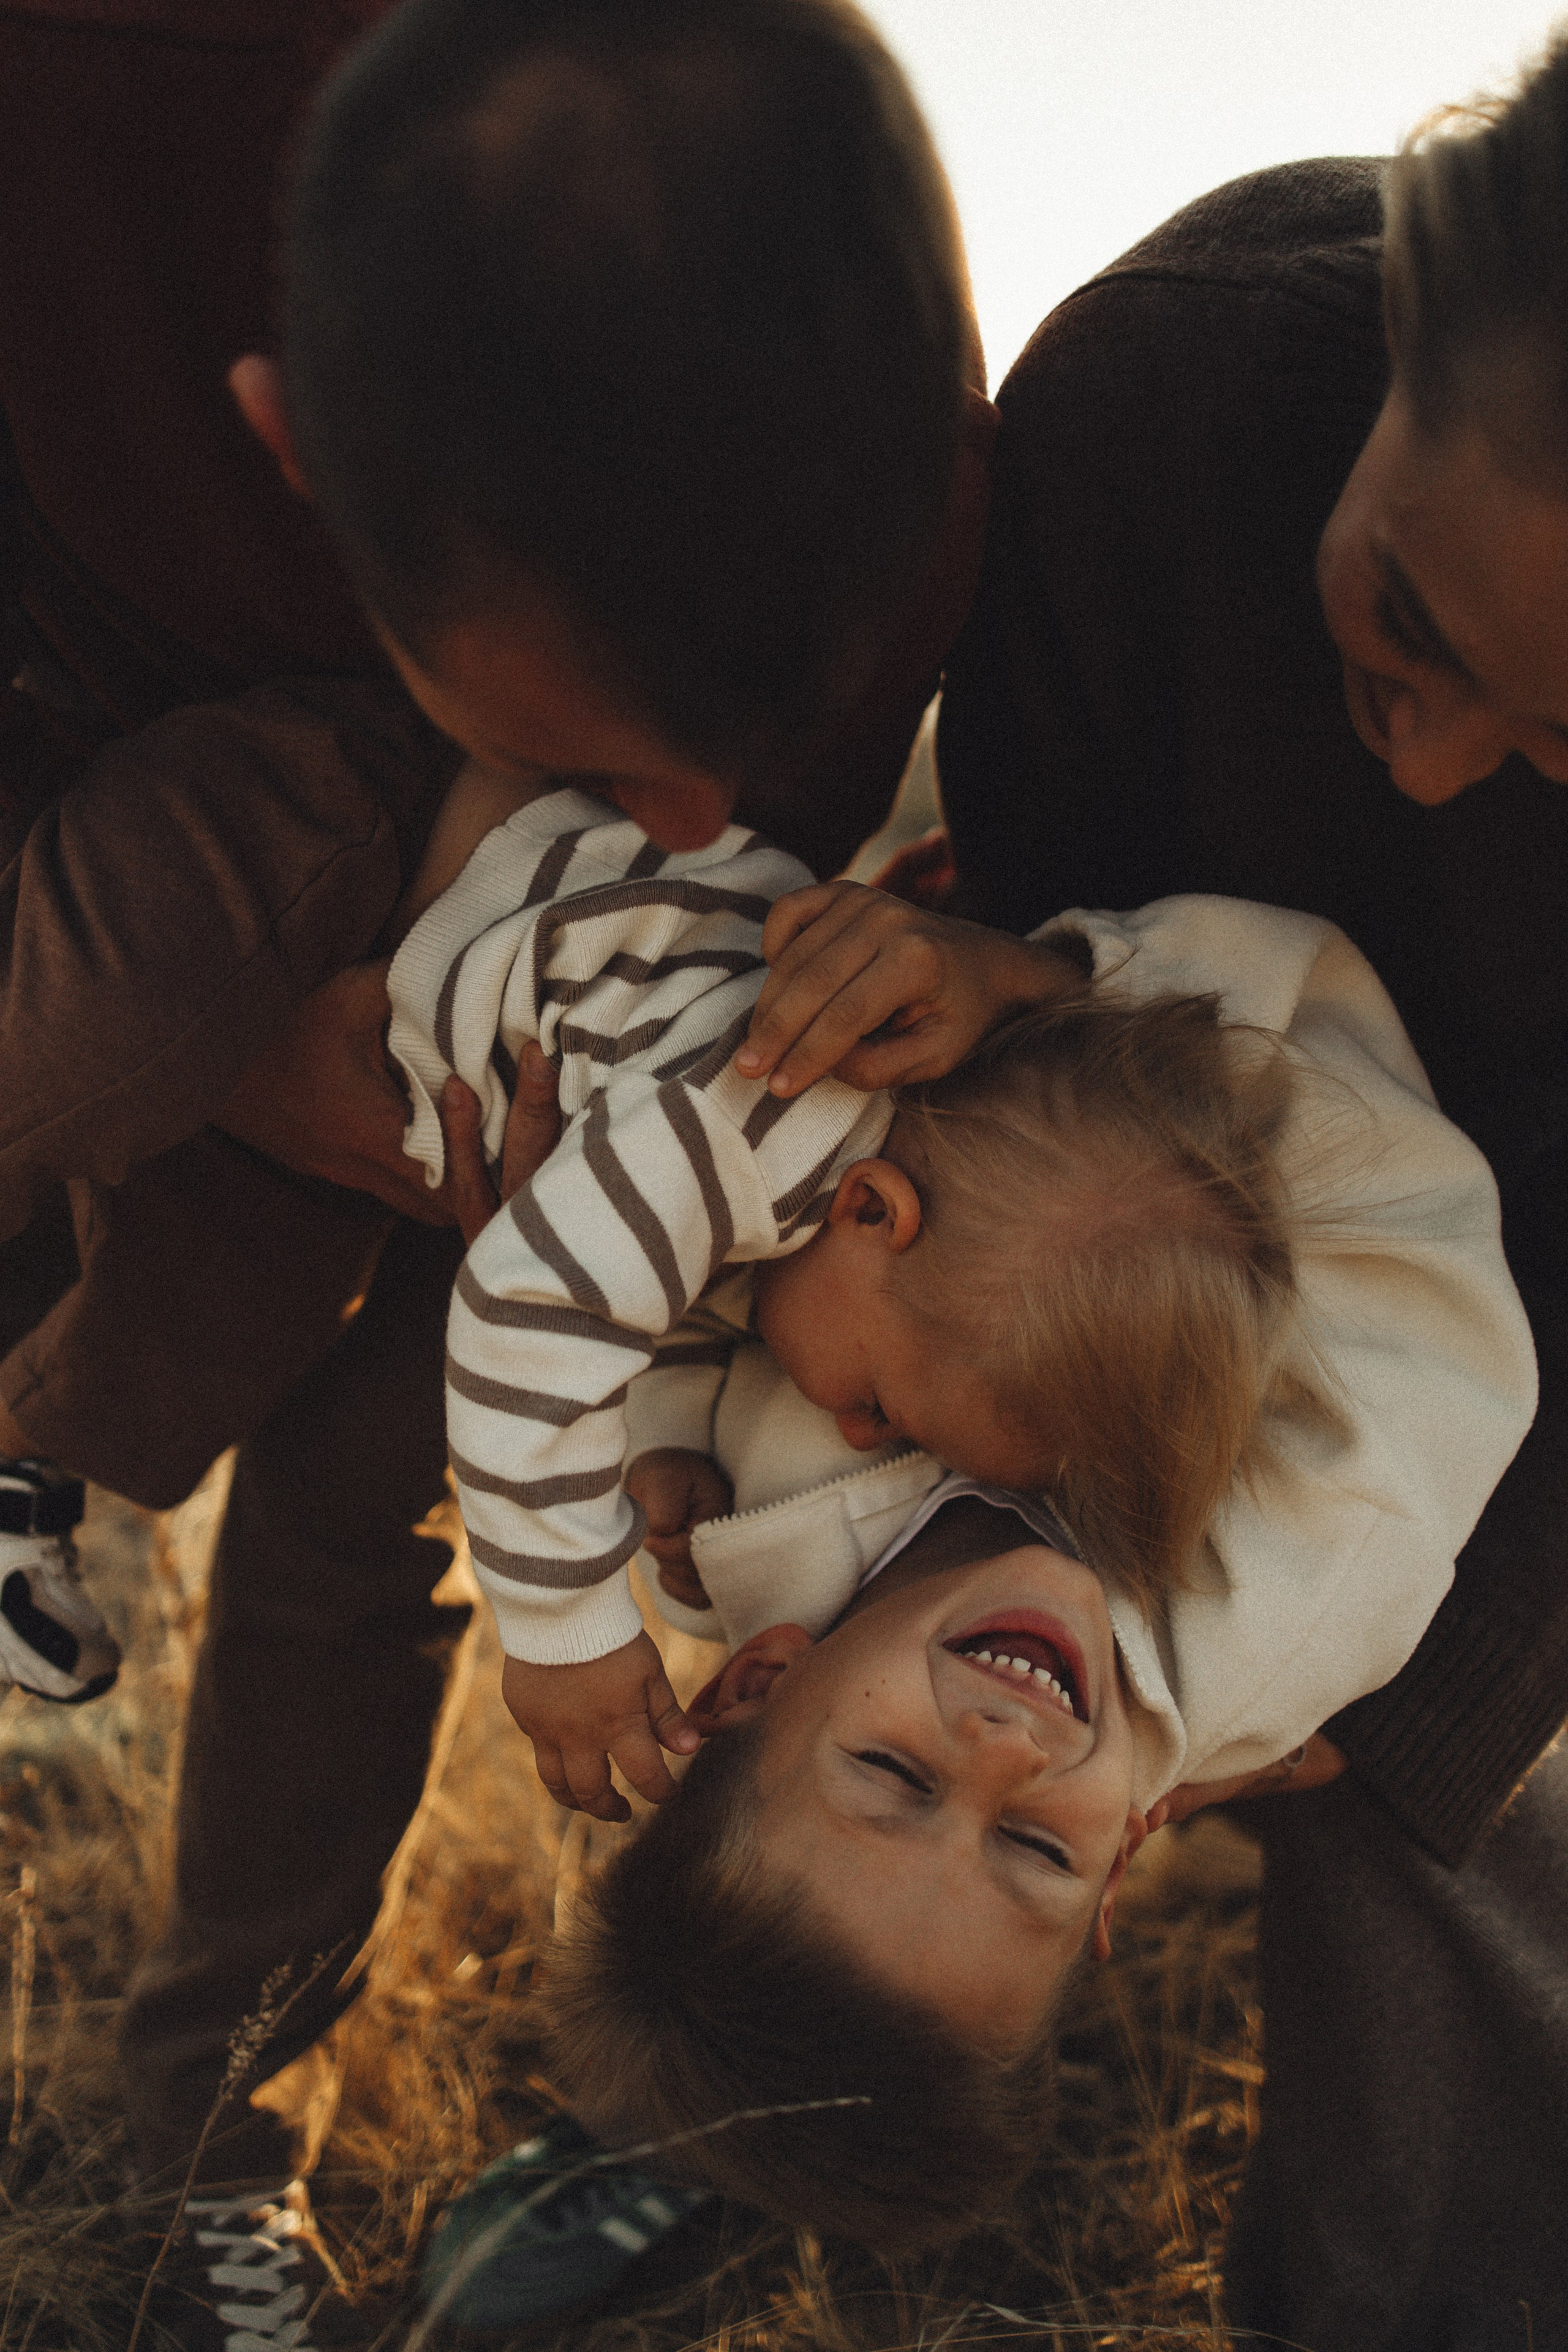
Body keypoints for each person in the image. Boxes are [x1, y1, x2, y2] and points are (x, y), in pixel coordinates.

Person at [0, 0, 990, 2292]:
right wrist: (242, 1050)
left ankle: (200, 2148)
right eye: (594, 740)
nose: (679, 814)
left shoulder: (860, 374)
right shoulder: (69, 139)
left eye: (723, 741)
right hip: (112, 837)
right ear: (291, 460)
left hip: (545, 1050)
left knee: (382, 1494)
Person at [416, 883, 1534, 2310]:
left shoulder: (728, 1528)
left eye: (890, 1772)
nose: (999, 1754)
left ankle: (693, 2139)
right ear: (1124, 1859)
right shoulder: (1316, 1573)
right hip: (1237, 1015)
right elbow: (1412, 1221)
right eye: (1034, 1854)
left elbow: (700, 1312)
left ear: (756, 1680)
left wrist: (637, 1359)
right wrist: (1070, 999)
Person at [931, 47, 1568, 2349]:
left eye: (1563, 744)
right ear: (1410, 316)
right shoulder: (1153, 405)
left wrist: (1406, 1693)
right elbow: (1037, 945)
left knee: (1446, 1807)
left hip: (1531, 1289)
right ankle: (797, 2075)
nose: (1429, 761)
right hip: (1163, 1162)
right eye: (1403, 613)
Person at [386, 764, 1376, 1812]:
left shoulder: (801, 1191)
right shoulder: (752, 1129)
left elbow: (655, 1283)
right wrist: (565, 1630)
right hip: (415, 861)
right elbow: (531, 1309)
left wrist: (669, 1428)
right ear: (874, 1211)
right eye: (886, 1406)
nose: (857, 1434)